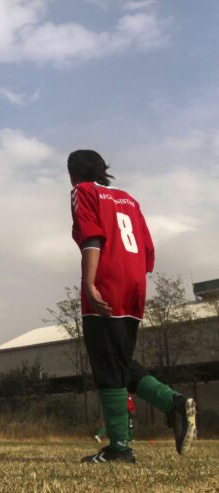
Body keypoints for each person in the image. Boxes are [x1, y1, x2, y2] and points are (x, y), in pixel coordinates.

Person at [67, 150, 197, 464]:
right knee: (120, 361)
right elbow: (148, 252)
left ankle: (120, 448)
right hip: (134, 286)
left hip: (108, 280)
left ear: (72, 173)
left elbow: (92, 239)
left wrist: (89, 283)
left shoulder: (83, 191)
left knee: (107, 365)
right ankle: (173, 403)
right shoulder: (129, 200)